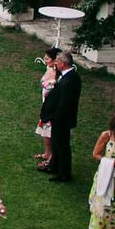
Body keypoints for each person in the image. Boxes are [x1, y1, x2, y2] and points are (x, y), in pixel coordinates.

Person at [40, 51, 82, 182]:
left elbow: (65, 103)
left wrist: (55, 116)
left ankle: (64, 174)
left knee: (62, 146)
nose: (55, 64)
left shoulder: (70, 80)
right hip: (59, 118)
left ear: (63, 64)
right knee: (56, 144)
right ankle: (54, 166)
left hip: (62, 120)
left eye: (57, 62)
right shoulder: (67, 76)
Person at [33, 47, 62, 170]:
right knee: (44, 132)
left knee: (49, 132)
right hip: (46, 104)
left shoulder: (57, 73)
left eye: (47, 58)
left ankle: (52, 156)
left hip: (52, 106)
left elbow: (53, 88)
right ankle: (47, 153)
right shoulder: (49, 68)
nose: (45, 60)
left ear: (55, 60)